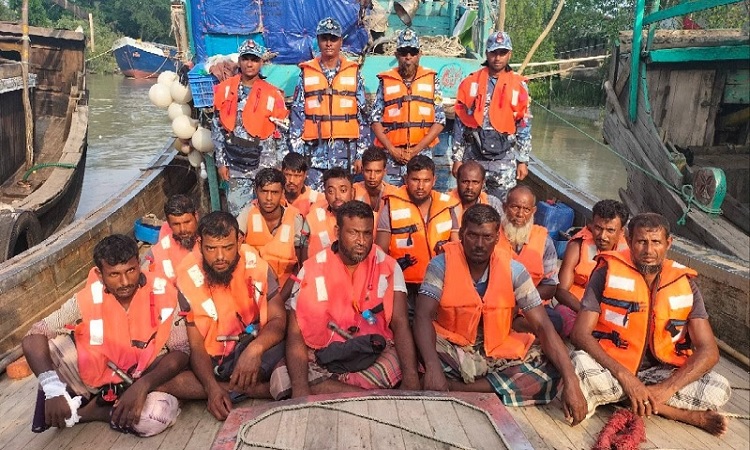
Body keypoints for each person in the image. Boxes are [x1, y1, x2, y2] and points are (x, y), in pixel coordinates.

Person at [413, 205, 586, 424]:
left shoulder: (514, 270)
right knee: (416, 344)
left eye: (486, 237)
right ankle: (487, 386)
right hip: (452, 346)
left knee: (553, 367)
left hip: (497, 348)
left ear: (497, 238)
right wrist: (433, 367)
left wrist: (572, 381)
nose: (478, 244)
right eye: (472, 235)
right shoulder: (440, 265)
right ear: (462, 234)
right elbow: (422, 316)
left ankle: (457, 388)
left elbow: (542, 325)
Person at [570, 212, 731, 435]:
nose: (648, 251)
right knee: (578, 363)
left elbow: (709, 351)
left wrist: (667, 389)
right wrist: (627, 378)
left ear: (668, 243)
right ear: (628, 240)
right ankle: (675, 412)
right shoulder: (605, 272)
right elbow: (580, 334)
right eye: (641, 242)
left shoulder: (685, 283)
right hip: (613, 369)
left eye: (655, 242)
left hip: (660, 374)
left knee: (719, 388)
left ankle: (639, 401)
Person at [23, 235, 187, 437]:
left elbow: (181, 352)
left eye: (131, 271)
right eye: (114, 275)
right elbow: (35, 334)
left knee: (153, 418)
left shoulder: (163, 290)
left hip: (148, 374)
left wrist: (142, 387)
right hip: (100, 373)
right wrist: (52, 388)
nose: (125, 281)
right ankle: (76, 405)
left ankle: (89, 413)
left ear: (139, 264)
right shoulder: (87, 297)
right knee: (51, 349)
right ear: (100, 275)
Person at [274, 200, 420, 399]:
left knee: (402, 364)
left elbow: (401, 323)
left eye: (367, 233)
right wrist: (300, 387)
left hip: (373, 354)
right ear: (337, 231)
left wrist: (411, 377)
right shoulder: (311, 268)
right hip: (323, 354)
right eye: (353, 233)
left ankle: (337, 391)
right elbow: (295, 330)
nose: (361, 241)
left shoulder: (389, 266)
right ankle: (373, 397)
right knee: (286, 376)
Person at [174, 212, 287, 420]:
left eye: (227, 248)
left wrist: (254, 351)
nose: (219, 257)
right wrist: (211, 389)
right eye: (210, 248)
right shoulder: (187, 276)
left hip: (253, 345)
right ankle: (252, 389)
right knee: (173, 377)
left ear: (239, 241)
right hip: (214, 358)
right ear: (199, 244)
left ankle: (237, 385)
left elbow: (278, 321)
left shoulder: (258, 267)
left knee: (288, 348)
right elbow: (196, 345)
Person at [289, 17, 368, 190]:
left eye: (333, 38)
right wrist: (298, 157)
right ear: (318, 41)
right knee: (315, 206)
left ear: (341, 41)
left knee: (343, 207)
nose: (329, 43)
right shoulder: (306, 74)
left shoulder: (354, 74)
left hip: (346, 156)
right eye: (324, 38)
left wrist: (361, 154)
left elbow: (363, 118)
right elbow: (297, 117)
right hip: (314, 157)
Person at [452, 31, 531, 202]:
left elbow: (523, 124)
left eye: (502, 53)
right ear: (487, 53)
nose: (498, 58)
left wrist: (523, 160)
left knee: (502, 208)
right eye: (494, 52)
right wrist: (457, 159)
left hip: (503, 160)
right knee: (469, 207)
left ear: (509, 54)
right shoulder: (470, 83)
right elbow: (459, 123)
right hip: (473, 157)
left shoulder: (519, 86)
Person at [212, 40, 288, 216]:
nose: (249, 63)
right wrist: (221, 162)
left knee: (268, 213)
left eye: (254, 59)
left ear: (261, 62)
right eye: (245, 58)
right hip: (235, 164)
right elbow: (217, 128)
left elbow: (282, 133)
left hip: (265, 163)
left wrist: (279, 165)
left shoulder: (273, 94)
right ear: (239, 61)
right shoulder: (225, 90)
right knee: (238, 215)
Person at [375, 155, 458, 312]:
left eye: (426, 180)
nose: (421, 186)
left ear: (434, 180)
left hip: (439, 281)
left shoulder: (447, 206)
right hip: (403, 284)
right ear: (406, 179)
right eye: (415, 180)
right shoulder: (391, 205)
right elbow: (380, 251)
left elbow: (457, 247)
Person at [370, 28, 445, 186]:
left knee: (419, 201)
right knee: (391, 200)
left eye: (413, 52)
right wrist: (392, 150)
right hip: (391, 156)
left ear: (419, 54)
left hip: (421, 155)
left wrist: (415, 150)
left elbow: (440, 121)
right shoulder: (385, 81)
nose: (408, 57)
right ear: (397, 55)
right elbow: (375, 120)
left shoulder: (432, 80)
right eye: (404, 52)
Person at [554, 199, 629, 337]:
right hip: (577, 307)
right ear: (591, 225)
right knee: (561, 315)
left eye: (610, 230)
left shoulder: (628, 252)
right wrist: (586, 312)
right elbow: (560, 291)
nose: (602, 236)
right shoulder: (577, 246)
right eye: (598, 228)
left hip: (611, 310)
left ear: (621, 231)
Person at [496, 185, 562, 333]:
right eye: (515, 207)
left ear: (533, 211)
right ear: (505, 207)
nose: (520, 214)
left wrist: (521, 304)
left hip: (529, 304)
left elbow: (550, 286)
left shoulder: (544, 241)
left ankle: (513, 324)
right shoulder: (491, 234)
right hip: (496, 301)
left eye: (526, 210)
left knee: (556, 322)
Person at [240, 168, 305, 287]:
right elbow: (233, 244)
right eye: (264, 191)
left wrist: (281, 298)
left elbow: (299, 266)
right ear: (256, 191)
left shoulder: (295, 218)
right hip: (254, 286)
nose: (269, 198)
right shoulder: (247, 214)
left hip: (287, 289)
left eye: (274, 192)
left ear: (282, 192)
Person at [142, 194, 199, 284]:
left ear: (196, 216)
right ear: (168, 224)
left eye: (187, 222)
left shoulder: (211, 242)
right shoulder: (158, 252)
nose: (183, 229)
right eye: (176, 224)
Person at [304, 167, 355, 258]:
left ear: (352, 192)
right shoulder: (312, 218)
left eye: (343, 190)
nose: (337, 196)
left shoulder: (366, 218)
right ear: (325, 194)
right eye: (331, 191)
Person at [448, 160, 503, 228]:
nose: (470, 187)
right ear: (457, 181)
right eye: (465, 182)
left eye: (475, 182)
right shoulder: (445, 204)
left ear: (482, 183)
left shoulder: (493, 204)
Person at [353, 147, 397, 224]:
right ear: (362, 170)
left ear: (384, 171)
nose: (372, 176)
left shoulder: (394, 193)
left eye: (377, 171)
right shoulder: (352, 192)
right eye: (368, 171)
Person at [280, 152, 323, 217]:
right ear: (281, 172)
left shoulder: (317, 200)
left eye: (297, 176)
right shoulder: (274, 197)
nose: (291, 180)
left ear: (305, 175)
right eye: (288, 175)